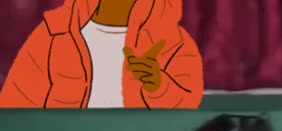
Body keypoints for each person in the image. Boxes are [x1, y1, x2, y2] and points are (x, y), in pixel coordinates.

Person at [0, 0, 203, 108]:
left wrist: (159, 88)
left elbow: (192, 125)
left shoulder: (174, 43)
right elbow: (14, 113)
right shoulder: (53, 35)